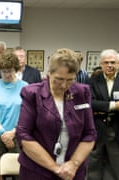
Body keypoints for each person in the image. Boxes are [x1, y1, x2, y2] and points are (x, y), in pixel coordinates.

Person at [16, 48, 97, 180]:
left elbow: (90, 133)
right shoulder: (32, 93)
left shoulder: (82, 92)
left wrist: (74, 164)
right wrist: (55, 168)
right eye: (59, 79)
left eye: (70, 80)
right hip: (37, 171)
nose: (64, 85)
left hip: (73, 172)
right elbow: (23, 135)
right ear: (48, 73)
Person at [0, 49, 28, 158]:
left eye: (10, 71)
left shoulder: (25, 87)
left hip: (17, 135)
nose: (7, 74)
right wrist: (3, 133)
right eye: (4, 71)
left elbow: (28, 115)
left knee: (17, 172)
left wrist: (14, 132)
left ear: (16, 69)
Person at [87, 49, 119, 180]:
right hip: (97, 128)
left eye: (113, 62)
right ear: (101, 64)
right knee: (94, 162)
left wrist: (102, 107)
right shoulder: (93, 81)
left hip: (116, 129)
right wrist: (114, 106)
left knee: (116, 162)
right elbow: (90, 103)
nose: (110, 65)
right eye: (106, 62)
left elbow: (97, 103)